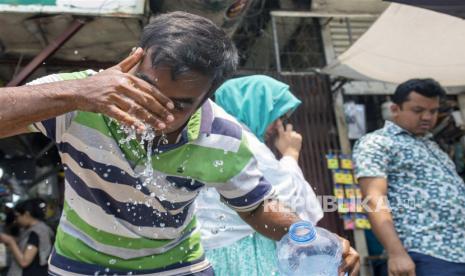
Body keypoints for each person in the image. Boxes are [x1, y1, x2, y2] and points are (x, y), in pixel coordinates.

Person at [0, 12, 359, 275]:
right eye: (146, 90)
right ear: (135, 60)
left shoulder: (222, 137)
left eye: (179, 104)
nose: (155, 111)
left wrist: (308, 236)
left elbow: (256, 209)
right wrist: (77, 94)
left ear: (208, 97)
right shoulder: (83, 98)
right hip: (81, 265)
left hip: (178, 267)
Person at [196, 75, 324, 275]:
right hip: (244, 253)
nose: (278, 126)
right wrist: (291, 154)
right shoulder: (245, 143)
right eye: (276, 115)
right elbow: (287, 201)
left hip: (217, 250)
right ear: (254, 107)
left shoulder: (219, 135)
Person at [353, 79, 465, 276]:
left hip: (459, 252)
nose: (427, 117)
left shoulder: (431, 145)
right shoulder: (377, 142)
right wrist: (396, 253)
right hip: (424, 253)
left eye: (433, 111)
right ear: (396, 109)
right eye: (418, 110)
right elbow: (374, 198)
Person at [0, 199, 54, 276]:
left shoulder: (37, 231)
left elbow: (24, 262)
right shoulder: (31, 229)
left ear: (26, 214)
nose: (16, 220)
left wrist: (10, 241)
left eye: (17, 216)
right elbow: (26, 241)